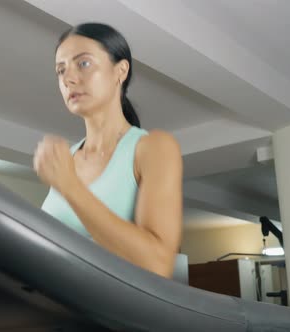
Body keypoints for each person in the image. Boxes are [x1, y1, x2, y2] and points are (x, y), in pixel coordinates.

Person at [33, 23, 183, 279]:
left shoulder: (153, 148)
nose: (68, 78)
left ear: (120, 71)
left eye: (83, 63)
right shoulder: (66, 158)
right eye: (61, 70)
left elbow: (158, 264)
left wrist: (70, 187)